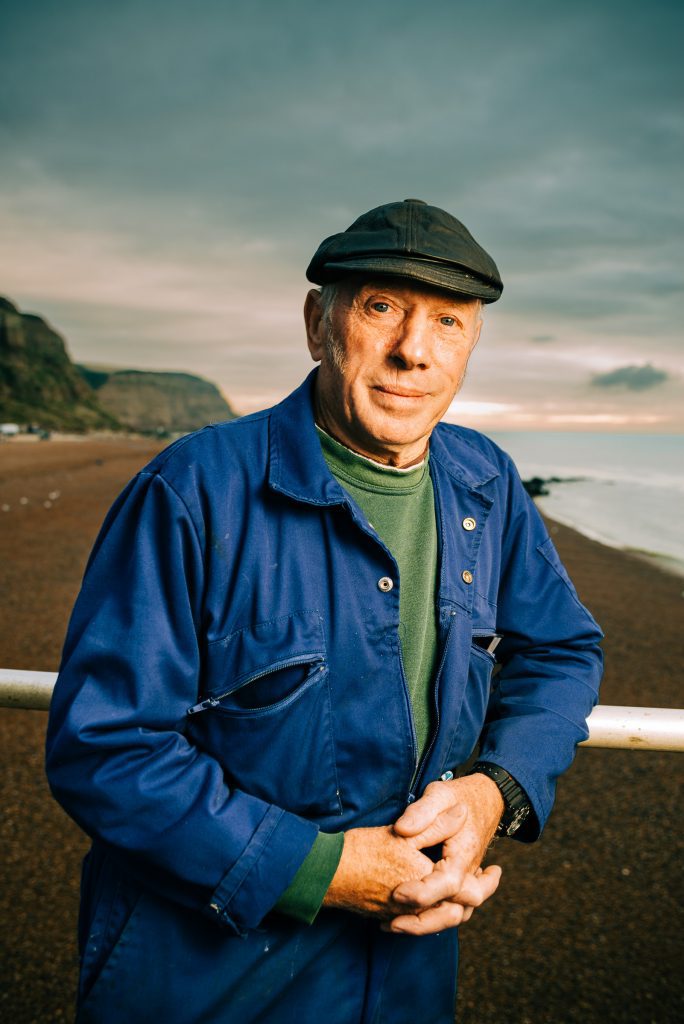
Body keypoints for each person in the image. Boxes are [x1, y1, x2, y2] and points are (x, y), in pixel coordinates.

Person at [46, 199, 603, 1024]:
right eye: (382, 308)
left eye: (448, 323)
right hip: (205, 982)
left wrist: (495, 791)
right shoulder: (193, 490)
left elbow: (561, 649)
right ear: (319, 323)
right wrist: (322, 870)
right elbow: (104, 746)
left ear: (471, 345)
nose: (414, 351)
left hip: (407, 979)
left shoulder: (485, 481)